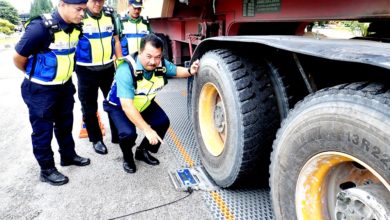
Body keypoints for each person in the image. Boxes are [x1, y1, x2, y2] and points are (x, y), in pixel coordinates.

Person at [13, 0, 90, 186]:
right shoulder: (39, 28)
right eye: (78, 9)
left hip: (64, 87)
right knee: (42, 131)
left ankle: (68, 156)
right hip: (41, 90)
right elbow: (17, 57)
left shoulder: (76, 27)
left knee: (65, 124)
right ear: (62, 4)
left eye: (84, 10)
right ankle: (46, 169)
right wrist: (34, 75)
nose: (82, 14)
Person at [103, 33, 200, 173]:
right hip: (120, 106)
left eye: (157, 57)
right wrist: (147, 130)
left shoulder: (160, 65)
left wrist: (190, 70)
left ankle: (142, 151)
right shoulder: (126, 70)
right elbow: (127, 107)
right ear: (140, 52)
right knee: (128, 133)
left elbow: (176, 71)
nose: (153, 62)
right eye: (148, 56)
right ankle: (128, 157)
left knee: (162, 122)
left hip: (144, 102)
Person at [75, 0, 122, 155]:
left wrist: (120, 63)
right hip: (85, 70)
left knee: (114, 103)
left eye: (100, 0)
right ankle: (96, 139)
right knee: (89, 107)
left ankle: (117, 135)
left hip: (108, 68)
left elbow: (115, 40)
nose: (98, 3)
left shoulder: (109, 15)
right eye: (94, 0)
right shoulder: (79, 16)